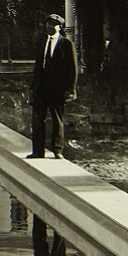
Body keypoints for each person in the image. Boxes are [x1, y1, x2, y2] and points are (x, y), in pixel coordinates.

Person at [27, 13, 78, 160]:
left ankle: (57, 151)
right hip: (40, 87)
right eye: (47, 24)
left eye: (53, 24)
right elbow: (38, 66)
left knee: (57, 119)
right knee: (37, 119)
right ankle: (37, 151)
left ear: (60, 27)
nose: (49, 27)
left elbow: (72, 69)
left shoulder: (66, 44)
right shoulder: (42, 42)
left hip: (57, 89)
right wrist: (32, 87)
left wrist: (70, 89)